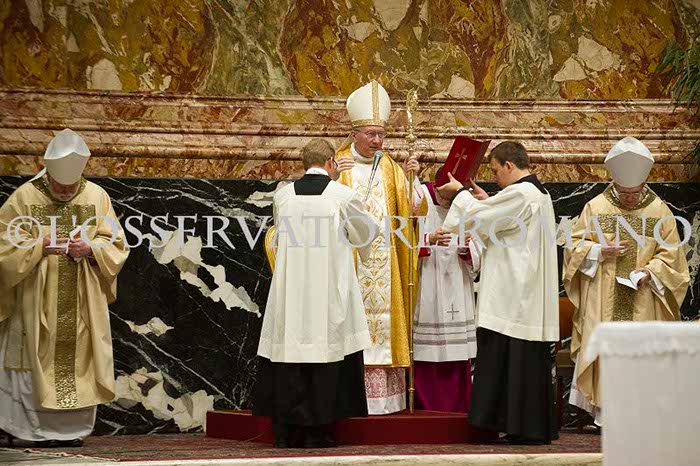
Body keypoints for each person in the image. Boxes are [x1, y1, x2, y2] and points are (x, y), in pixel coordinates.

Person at [0, 128, 129, 447]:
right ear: (48, 173)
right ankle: (27, 432)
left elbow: (116, 242)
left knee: (80, 360)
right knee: (30, 358)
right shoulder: (25, 197)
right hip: (35, 298)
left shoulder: (97, 196)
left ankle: (70, 431)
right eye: (59, 185)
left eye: (71, 186)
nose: (65, 191)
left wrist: (91, 249)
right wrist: (38, 246)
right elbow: (4, 244)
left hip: (82, 299)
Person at [254, 138, 380, 448]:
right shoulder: (342, 195)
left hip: (291, 290)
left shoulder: (282, 196)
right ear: (330, 163)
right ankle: (319, 432)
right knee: (327, 352)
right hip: (327, 289)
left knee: (290, 352)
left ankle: (288, 432)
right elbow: (366, 233)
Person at [437, 141, 559, 445]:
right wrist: (489, 201)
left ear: (509, 165)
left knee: (510, 359)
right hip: (525, 292)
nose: (494, 177)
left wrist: (460, 193)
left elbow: (481, 219)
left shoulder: (521, 194)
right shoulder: (538, 194)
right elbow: (504, 222)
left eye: (495, 171)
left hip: (513, 294)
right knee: (523, 363)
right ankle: (526, 426)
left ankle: (520, 428)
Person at [563, 136, 690, 426]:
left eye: (635, 192)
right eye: (624, 192)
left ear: (644, 183)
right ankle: (605, 415)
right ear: (614, 183)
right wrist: (599, 251)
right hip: (602, 295)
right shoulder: (596, 207)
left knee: (641, 353)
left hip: (644, 297)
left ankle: (642, 414)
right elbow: (573, 247)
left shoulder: (658, 211)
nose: (630, 198)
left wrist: (650, 272)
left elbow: (672, 255)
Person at [335, 80, 426, 414]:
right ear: (355, 134)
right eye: (371, 134)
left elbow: (414, 210)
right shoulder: (339, 164)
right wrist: (332, 179)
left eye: (381, 135)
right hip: (349, 261)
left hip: (385, 264)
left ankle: (385, 403)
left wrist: (413, 181)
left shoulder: (388, 166)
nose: (377, 141)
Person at [413, 169, 479, 413]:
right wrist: (428, 239)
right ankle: (426, 406)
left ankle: (460, 406)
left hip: (457, 283)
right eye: (445, 198)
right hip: (428, 281)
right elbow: (397, 239)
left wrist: (468, 248)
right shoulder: (418, 198)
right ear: (437, 186)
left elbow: (480, 243)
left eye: (453, 199)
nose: (448, 204)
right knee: (427, 349)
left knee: (457, 351)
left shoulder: (463, 203)